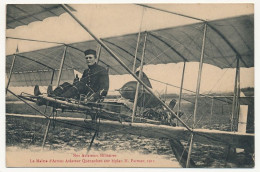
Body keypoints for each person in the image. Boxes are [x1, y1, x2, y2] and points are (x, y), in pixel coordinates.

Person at [34, 49, 109, 103]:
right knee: (67, 84)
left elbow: (104, 88)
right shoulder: (86, 71)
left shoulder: (102, 70)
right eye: (86, 58)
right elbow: (82, 84)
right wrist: (76, 82)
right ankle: (48, 96)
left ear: (95, 59)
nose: (88, 60)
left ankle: (56, 98)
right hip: (83, 94)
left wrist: (93, 97)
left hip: (91, 96)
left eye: (90, 58)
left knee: (80, 84)